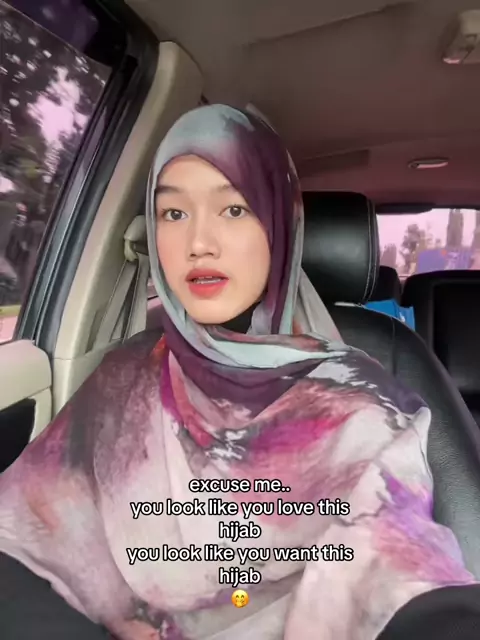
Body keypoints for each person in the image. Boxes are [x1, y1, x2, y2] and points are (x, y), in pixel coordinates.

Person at [0, 104, 480, 640]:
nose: (198, 243)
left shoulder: (364, 403)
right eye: (173, 213)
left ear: (280, 226)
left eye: (233, 209)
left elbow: (398, 566)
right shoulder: (123, 378)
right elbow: (25, 533)